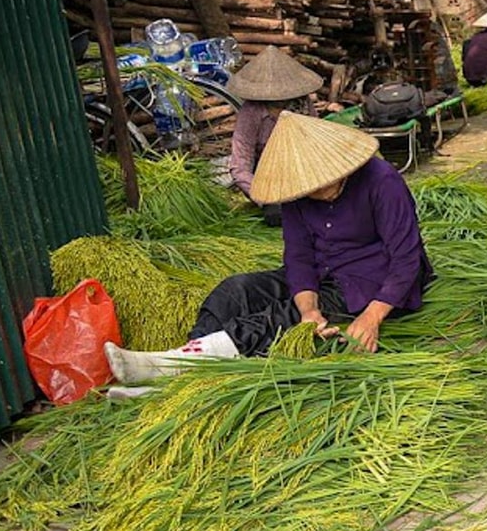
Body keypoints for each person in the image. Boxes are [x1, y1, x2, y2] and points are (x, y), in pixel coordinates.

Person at [104, 112, 432, 380]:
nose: (313, 193)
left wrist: (372, 317)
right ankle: (184, 361)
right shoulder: (296, 189)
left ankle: (174, 369)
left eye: (320, 185)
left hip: (373, 279)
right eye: (306, 189)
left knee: (276, 318)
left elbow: (407, 258)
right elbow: (299, 257)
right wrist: (309, 311)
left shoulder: (382, 181)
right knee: (236, 290)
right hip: (324, 273)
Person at [225, 46, 323, 224]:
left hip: (302, 171)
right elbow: (240, 167)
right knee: (279, 216)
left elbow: (316, 140)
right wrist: (265, 196)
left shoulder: (302, 103)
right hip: (268, 179)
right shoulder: (251, 112)